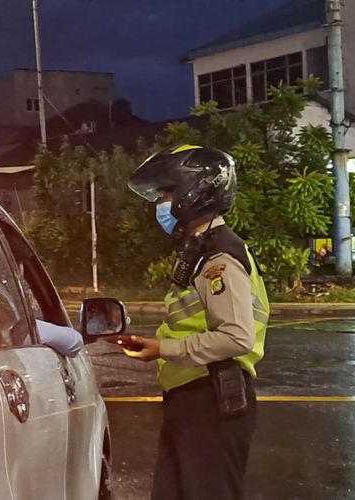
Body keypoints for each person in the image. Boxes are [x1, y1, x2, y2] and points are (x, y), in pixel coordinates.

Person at [124, 144, 270, 500]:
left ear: (195, 191)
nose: (162, 203)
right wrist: (160, 347)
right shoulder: (201, 250)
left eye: (167, 192)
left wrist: (165, 348)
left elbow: (237, 337)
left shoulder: (220, 256)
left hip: (211, 400)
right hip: (193, 399)